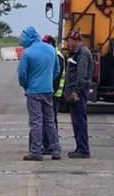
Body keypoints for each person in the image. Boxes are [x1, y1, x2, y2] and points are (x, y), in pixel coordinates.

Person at [17, 26, 61, 161]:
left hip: (33, 91)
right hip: (48, 90)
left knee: (36, 122)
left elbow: (22, 74)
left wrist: (26, 85)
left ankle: (36, 151)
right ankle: (55, 150)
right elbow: (57, 69)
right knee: (50, 121)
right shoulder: (51, 50)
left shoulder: (27, 53)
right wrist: (48, 81)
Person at [64, 29, 94, 158]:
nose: (68, 43)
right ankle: (80, 147)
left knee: (79, 121)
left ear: (76, 40)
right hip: (75, 91)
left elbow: (81, 75)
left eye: (69, 41)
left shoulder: (82, 53)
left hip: (79, 92)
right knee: (76, 121)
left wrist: (76, 92)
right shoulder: (76, 53)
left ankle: (83, 149)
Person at [42, 34, 65, 133]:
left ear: (51, 44)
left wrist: (51, 90)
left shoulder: (57, 56)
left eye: (45, 44)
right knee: (48, 118)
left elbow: (57, 76)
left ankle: (53, 140)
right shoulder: (51, 54)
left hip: (54, 92)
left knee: (51, 119)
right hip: (50, 91)